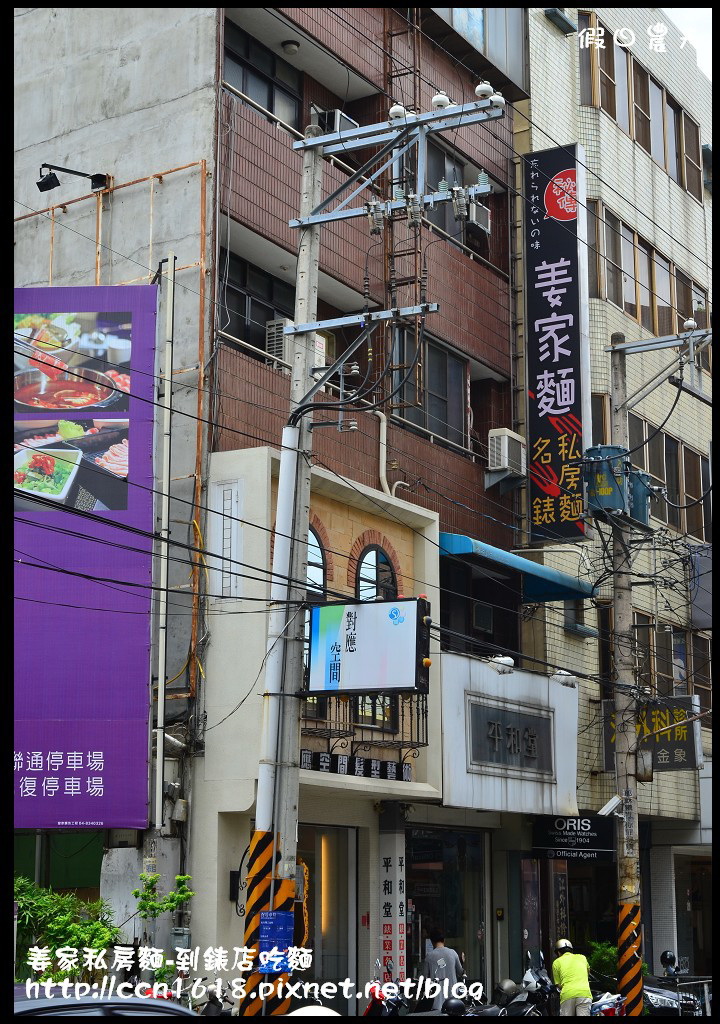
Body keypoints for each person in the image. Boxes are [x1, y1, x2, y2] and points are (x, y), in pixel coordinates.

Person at [421, 928, 465, 1010]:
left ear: (432, 941)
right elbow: (461, 972)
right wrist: (462, 961)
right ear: (443, 940)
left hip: (436, 1001)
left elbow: (424, 977)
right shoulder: (453, 953)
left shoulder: (429, 956)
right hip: (453, 1000)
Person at [552, 938, 593, 1016]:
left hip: (568, 995)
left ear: (558, 952)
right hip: (584, 993)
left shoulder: (556, 962)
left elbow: (559, 985)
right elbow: (587, 972)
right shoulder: (582, 957)